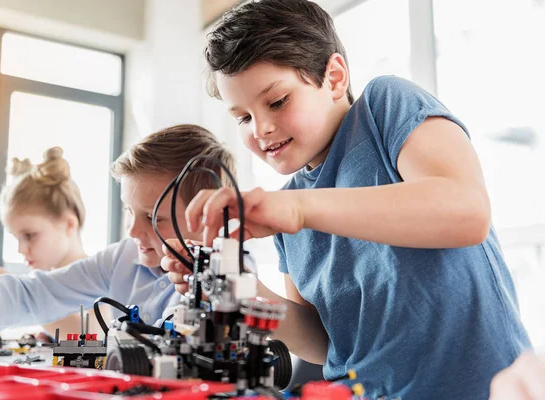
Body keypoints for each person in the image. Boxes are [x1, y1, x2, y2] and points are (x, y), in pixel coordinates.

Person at [161, 1, 531, 398]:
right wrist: (242, 292)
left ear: (334, 77)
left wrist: (299, 211)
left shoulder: (383, 109)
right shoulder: (287, 215)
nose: (262, 129)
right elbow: (323, 342)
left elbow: (466, 211)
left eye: (277, 101)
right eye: (243, 118)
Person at [0, 124, 237, 335]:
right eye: (128, 212)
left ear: (207, 217)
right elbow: (32, 294)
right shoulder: (122, 258)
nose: (133, 231)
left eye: (151, 217)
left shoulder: (231, 274)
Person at [0, 147, 97, 338]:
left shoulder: (100, 277)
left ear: (69, 224)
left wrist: (18, 293)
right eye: (16, 238)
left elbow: (90, 335)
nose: (21, 249)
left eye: (30, 235)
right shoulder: (48, 285)